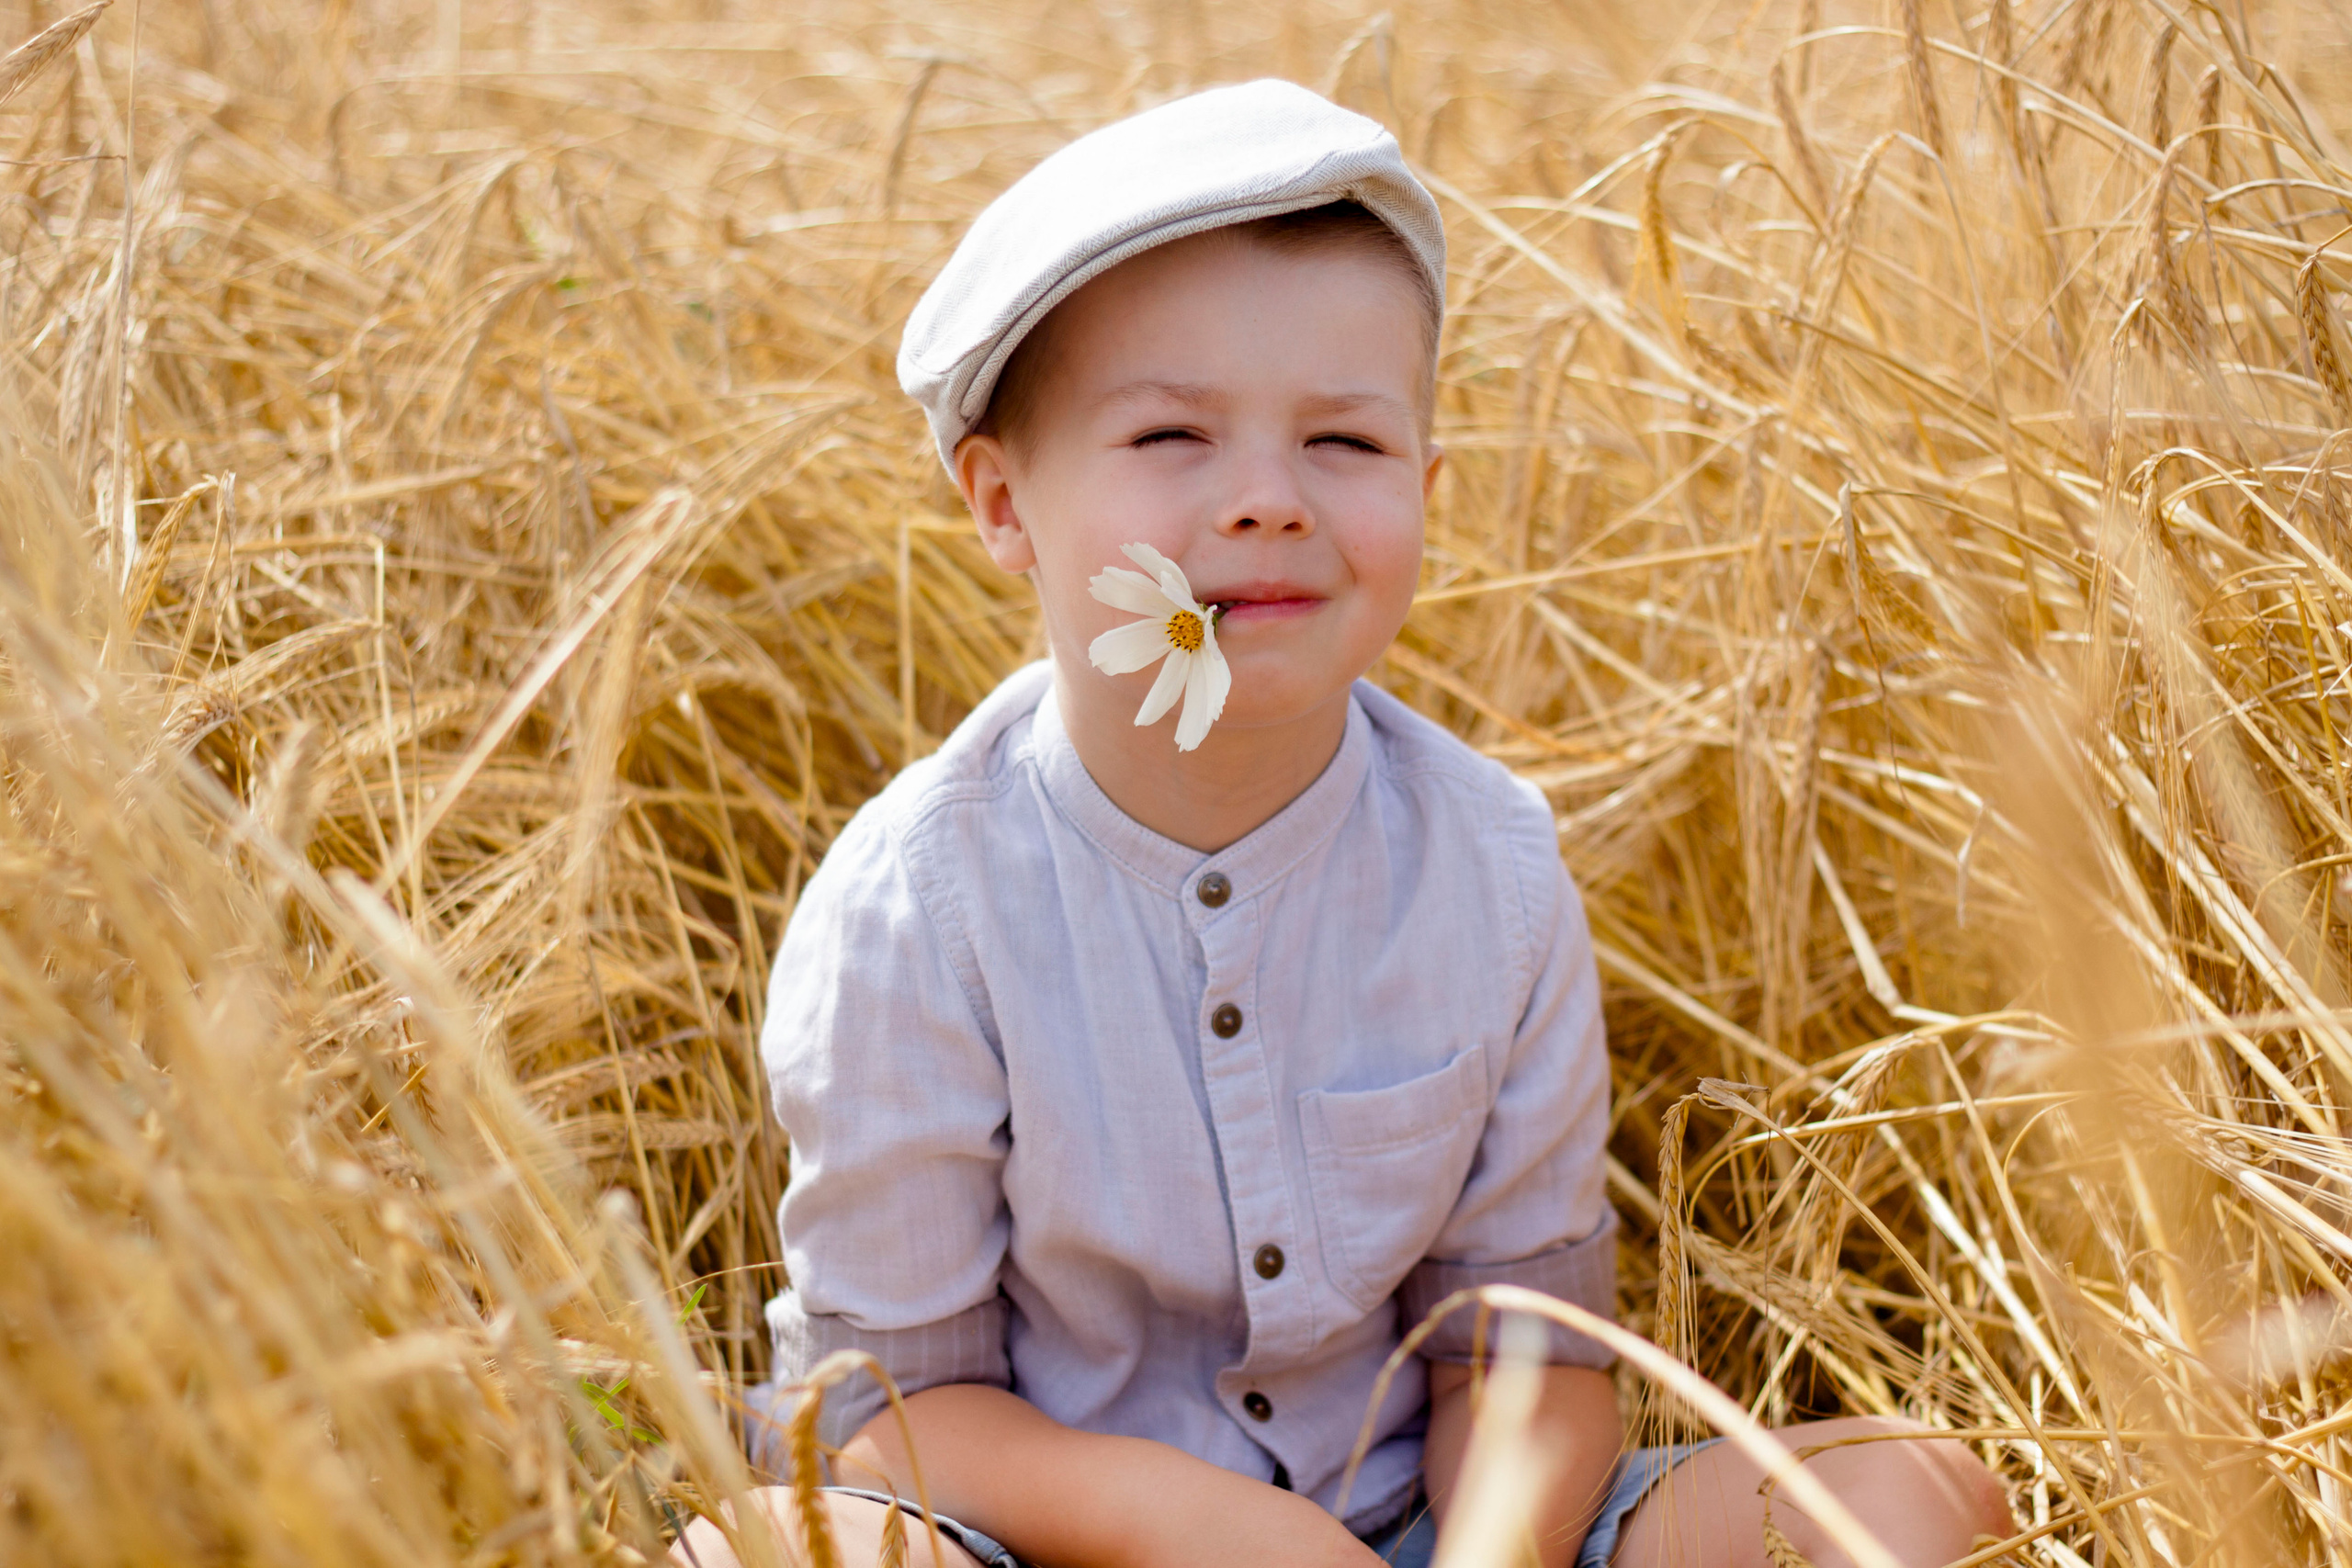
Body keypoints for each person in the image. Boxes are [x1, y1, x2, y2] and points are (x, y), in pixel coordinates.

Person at [674, 80, 2011, 1568]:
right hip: (1044, 1538)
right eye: (1173, 434)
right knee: (780, 1553)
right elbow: (888, 1411)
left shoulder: (1488, 868)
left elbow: (1524, 1352)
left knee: (1912, 1493)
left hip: (1411, 1533)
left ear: (1425, 495)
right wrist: (1233, 1538)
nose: (1264, 501)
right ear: (1003, 504)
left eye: (1347, 446)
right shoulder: (919, 906)